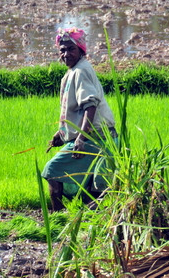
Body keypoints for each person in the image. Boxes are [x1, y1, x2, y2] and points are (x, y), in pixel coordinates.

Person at [42, 27, 116, 211]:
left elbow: (90, 105)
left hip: (94, 136)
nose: (66, 54)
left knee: (52, 171)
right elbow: (75, 110)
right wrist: (63, 133)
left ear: (81, 50)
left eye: (71, 49)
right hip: (96, 135)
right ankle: (88, 219)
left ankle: (58, 216)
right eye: (62, 50)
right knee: (92, 183)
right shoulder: (73, 71)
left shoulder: (81, 71)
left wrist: (81, 138)